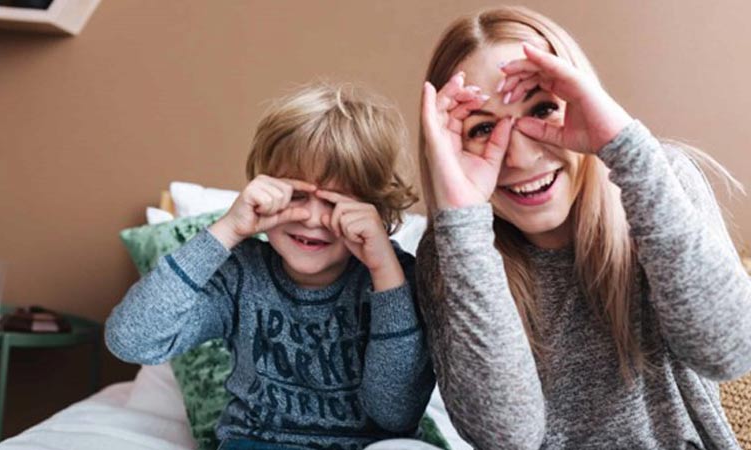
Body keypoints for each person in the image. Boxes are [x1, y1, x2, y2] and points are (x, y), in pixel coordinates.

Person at [417, 6, 751, 449]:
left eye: (542, 107)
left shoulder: (657, 179)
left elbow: (728, 352)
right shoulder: (452, 252)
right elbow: (507, 438)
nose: (519, 156)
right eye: (481, 128)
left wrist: (624, 147)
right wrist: (461, 221)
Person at [106, 82, 434, 450]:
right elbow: (131, 340)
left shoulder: (396, 278)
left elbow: (397, 413)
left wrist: (384, 271)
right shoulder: (240, 274)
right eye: (297, 195)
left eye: (335, 201)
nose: (312, 219)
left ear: (374, 209)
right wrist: (226, 230)